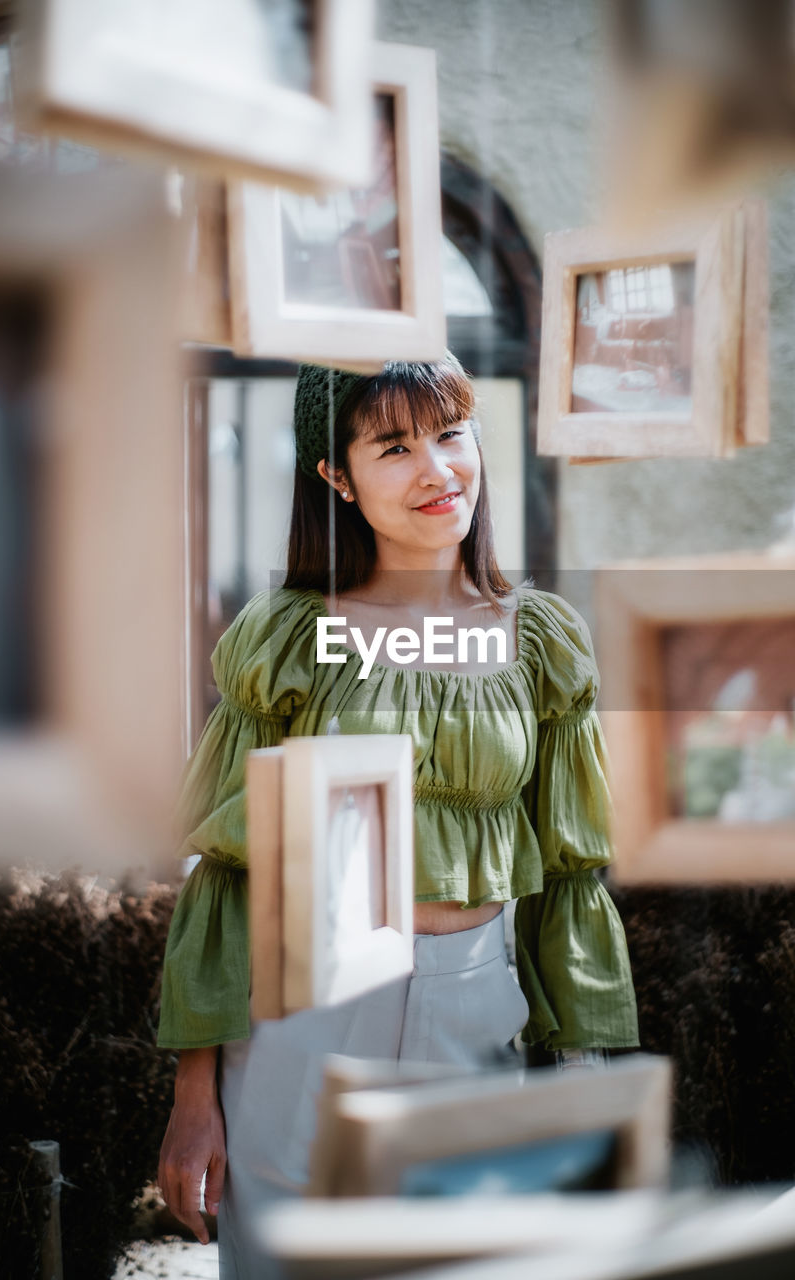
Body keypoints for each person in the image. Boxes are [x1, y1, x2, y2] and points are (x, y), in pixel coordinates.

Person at [156, 355, 639, 1276]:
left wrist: (588, 1073)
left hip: (477, 1001)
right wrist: (193, 1096)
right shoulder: (290, 636)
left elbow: (573, 873)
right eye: (393, 445)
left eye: (451, 433)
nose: (436, 469)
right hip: (307, 1009)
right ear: (335, 475)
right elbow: (229, 866)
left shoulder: (541, 642)